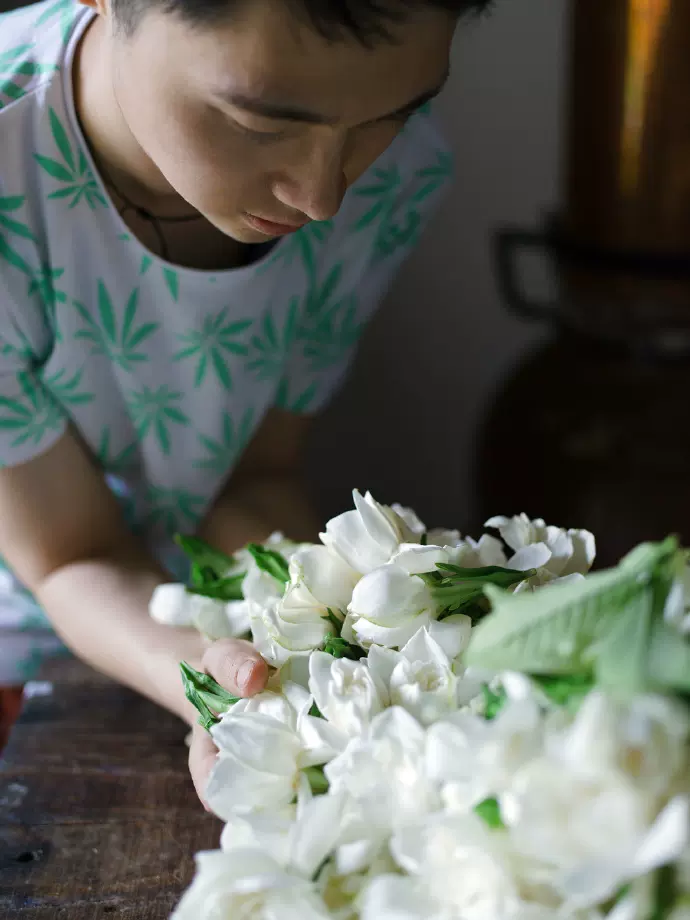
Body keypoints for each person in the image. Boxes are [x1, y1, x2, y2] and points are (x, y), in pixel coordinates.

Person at [0, 0, 488, 800]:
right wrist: (211, 676)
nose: (323, 194)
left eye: (388, 117)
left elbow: (252, 477)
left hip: (193, 620)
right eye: (261, 125)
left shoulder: (399, 176)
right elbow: (69, 553)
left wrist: (330, 642)